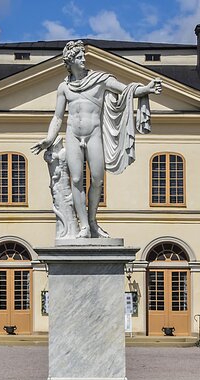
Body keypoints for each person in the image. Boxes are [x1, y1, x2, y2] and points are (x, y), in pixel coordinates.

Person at [32, 40, 162, 238]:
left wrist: (147, 89)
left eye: (83, 55)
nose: (84, 58)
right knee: (76, 179)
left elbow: (126, 90)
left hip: (94, 135)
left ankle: (93, 222)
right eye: (79, 56)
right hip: (73, 135)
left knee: (97, 179)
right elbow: (58, 117)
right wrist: (48, 139)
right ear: (70, 61)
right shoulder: (64, 88)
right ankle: (83, 225)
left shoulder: (100, 80)